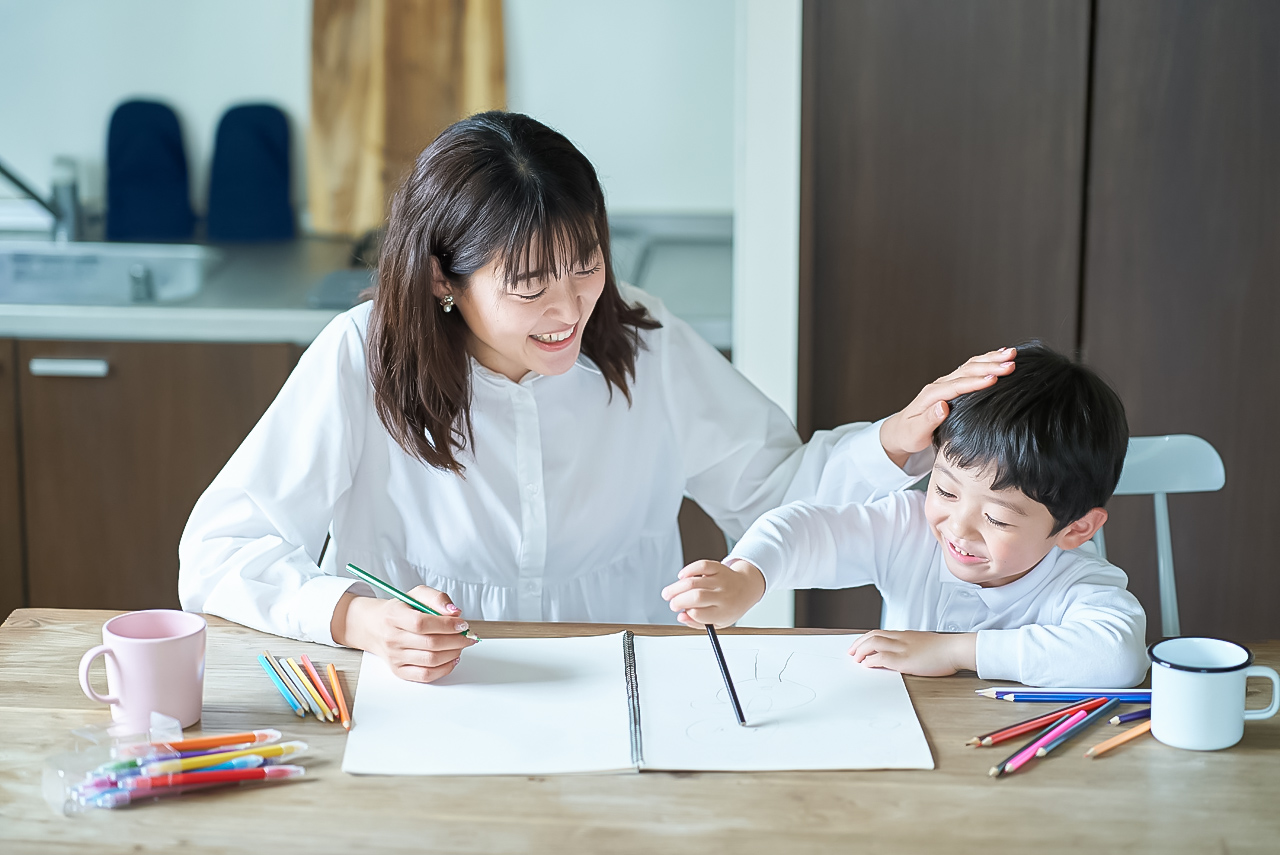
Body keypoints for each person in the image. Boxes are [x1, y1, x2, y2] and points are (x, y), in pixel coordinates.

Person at [178, 111, 1013, 683]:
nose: (571, 306)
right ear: (442, 277)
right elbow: (218, 551)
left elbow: (773, 493)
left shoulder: (639, 335)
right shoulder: (361, 357)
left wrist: (895, 440)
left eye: (586, 262)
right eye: (530, 283)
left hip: (629, 686)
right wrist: (355, 617)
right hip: (427, 697)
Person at [662, 343, 1149, 688]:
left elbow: (1118, 656)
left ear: (1076, 529)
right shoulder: (909, 527)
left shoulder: (1077, 581)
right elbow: (803, 527)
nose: (957, 528)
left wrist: (952, 651)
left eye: (998, 519)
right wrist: (747, 577)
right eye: (945, 489)